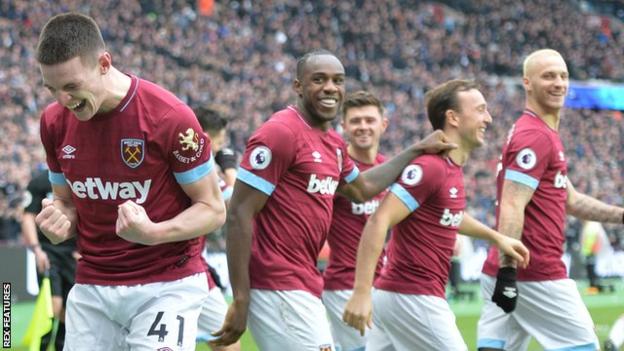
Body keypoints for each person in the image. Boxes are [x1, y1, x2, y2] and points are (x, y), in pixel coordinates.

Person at [212, 49, 457, 350]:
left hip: (304, 281)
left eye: (338, 80)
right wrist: (240, 297)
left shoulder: (333, 143)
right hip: (276, 283)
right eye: (319, 79)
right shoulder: (280, 132)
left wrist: (417, 149)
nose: (331, 87)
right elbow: (239, 213)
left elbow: (363, 187)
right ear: (298, 86)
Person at [34, 13, 226, 350]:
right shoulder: (53, 122)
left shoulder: (170, 117)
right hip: (94, 285)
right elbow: (65, 201)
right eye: (52, 88)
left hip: (167, 283)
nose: (63, 100)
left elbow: (212, 209)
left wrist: (153, 233)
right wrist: (59, 220)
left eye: (71, 86)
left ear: (104, 63)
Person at [342, 79, 530, 351]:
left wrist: (496, 238)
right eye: (480, 110)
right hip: (412, 297)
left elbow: (450, 214)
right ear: (453, 118)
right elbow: (379, 220)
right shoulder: (432, 168)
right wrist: (361, 292)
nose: (487, 118)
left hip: (398, 296)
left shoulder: (449, 168)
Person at [477, 49, 624, 351]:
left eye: (563, 76)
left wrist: (620, 215)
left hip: (508, 268)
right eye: (548, 76)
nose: (558, 83)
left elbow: (571, 200)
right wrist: (509, 271)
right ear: (527, 83)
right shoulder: (536, 136)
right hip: (534, 271)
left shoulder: (539, 132)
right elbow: (512, 205)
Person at [322, 90, 389, 351]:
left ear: (383, 124)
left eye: (369, 120)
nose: (363, 127)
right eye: (356, 121)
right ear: (344, 127)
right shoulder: (335, 169)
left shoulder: (387, 170)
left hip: (383, 284)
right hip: (345, 285)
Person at [194, 105, 241, 351]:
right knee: (228, 342)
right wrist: (230, 170)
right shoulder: (199, 165)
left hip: (191, 266)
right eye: (219, 141)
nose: (221, 148)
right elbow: (235, 207)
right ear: (207, 139)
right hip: (184, 268)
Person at [21, 165, 77, 351]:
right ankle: (43, 346)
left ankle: (60, 346)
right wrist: (37, 250)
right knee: (53, 304)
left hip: (72, 254)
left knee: (67, 310)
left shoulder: (78, 179)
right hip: (48, 251)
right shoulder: (40, 181)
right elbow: (28, 217)